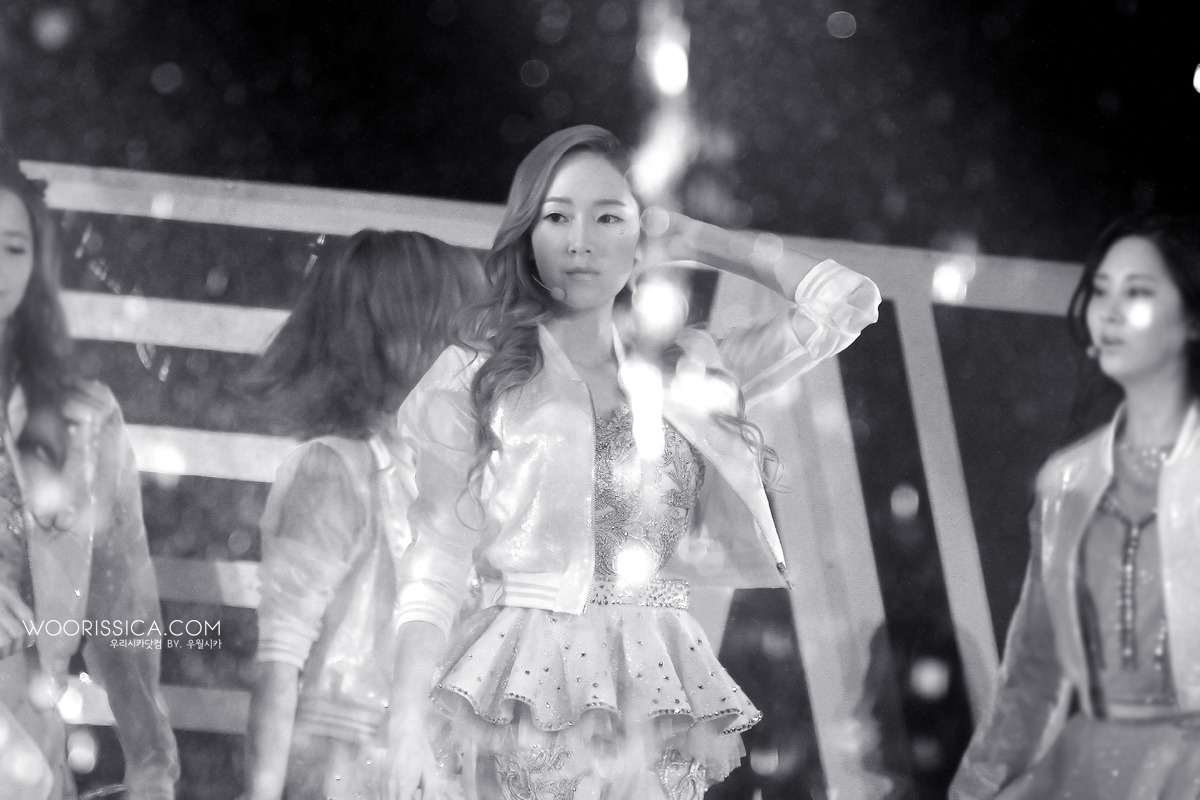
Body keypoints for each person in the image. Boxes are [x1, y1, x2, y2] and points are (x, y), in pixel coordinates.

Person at [385, 124, 880, 800]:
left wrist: (698, 238)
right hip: (521, 675)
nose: (579, 241)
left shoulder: (688, 372)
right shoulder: (475, 374)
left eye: (608, 217)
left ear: (641, 233)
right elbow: (434, 563)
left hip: (655, 675)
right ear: (528, 233)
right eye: (557, 217)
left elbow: (846, 305)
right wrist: (405, 721)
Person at [951, 212, 1200, 799]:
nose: (1109, 313)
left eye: (1137, 293)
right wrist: (976, 789)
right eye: (1101, 292)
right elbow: (1034, 669)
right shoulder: (1071, 478)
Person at [242, 229, 485, 800]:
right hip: (347, 764)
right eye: (465, 334)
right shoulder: (336, 471)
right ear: (411, 339)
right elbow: (280, 657)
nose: (482, 355)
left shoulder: (442, 473)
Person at [0, 154, 179, 799]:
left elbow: (118, 605)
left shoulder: (82, 416)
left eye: (12, 248)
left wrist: (151, 759)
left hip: (29, 753)